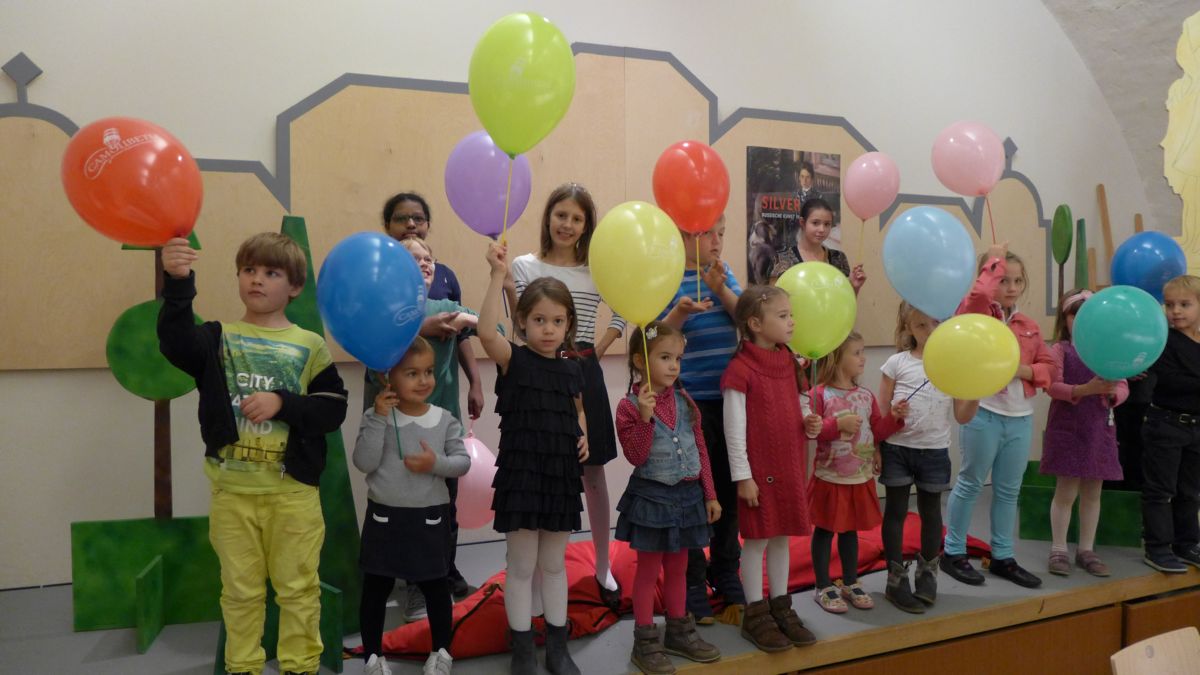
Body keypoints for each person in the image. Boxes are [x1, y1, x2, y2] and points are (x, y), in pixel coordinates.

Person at [158, 233, 348, 675]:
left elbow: (333, 409)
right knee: (240, 592)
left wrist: (283, 403)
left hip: (293, 496)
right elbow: (174, 342)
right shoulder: (216, 338)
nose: (257, 280)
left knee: (298, 590)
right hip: (232, 494)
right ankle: (242, 666)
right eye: (249, 270)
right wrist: (178, 281)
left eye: (271, 272)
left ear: (294, 287)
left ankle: (300, 666)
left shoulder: (309, 344)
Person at [506, 183, 625, 607]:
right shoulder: (524, 265)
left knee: (592, 472)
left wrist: (597, 351)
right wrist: (503, 283)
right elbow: (519, 321)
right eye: (561, 215)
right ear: (548, 217)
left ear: (587, 225)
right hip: (538, 378)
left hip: (583, 372)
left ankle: (603, 565)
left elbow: (623, 312)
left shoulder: (599, 269)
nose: (567, 225)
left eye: (577, 218)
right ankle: (538, 576)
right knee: (542, 474)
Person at [478, 241, 588, 675]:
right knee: (522, 566)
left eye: (557, 321)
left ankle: (558, 647)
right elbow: (487, 333)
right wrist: (496, 277)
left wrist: (583, 435)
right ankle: (523, 650)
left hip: (560, 477)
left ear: (568, 325)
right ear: (522, 321)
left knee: (554, 565)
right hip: (522, 477)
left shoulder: (572, 367)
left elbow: (577, 408)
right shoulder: (514, 359)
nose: (548, 329)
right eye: (539, 320)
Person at [379, 192, 482, 611]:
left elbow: (474, 329)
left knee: (445, 500)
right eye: (401, 218)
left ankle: (444, 571)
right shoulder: (380, 285)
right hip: (401, 415)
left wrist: (476, 381)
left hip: (444, 412)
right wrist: (423, 325)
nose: (410, 223)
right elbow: (381, 338)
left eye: (418, 218)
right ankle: (412, 582)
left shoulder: (444, 288)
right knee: (407, 501)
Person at [353, 337, 469, 675]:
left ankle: (441, 652)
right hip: (384, 518)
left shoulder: (445, 419)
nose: (424, 380)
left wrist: (436, 463)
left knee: (436, 587)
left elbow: (462, 463)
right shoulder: (376, 417)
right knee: (376, 587)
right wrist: (378, 417)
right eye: (412, 373)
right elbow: (364, 461)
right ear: (388, 378)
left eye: (429, 371)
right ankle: (373, 657)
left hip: (430, 519)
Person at [942, 243, 1053, 589]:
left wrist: (1022, 370)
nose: (1012, 288)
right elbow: (977, 297)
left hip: (1019, 418)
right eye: (1004, 280)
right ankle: (953, 552)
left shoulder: (1028, 325)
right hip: (984, 413)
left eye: (1018, 281)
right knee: (970, 482)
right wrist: (993, 263)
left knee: (1008, 491)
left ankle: (1003, 556)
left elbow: (1049, 368)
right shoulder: (977, 315)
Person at [615, 321, 722, 674]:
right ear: (640, 361)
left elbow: (701, 449)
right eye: (664, 357)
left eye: (677, 358)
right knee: (648, 572)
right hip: (653, 500)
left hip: (688, 497)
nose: (674, 365)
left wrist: (710, 494)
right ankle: (645, 641)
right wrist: (645, 418)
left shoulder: (685, 401)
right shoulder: (628, 406)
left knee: (679, 568)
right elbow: (636, 456)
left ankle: (678, 631)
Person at [721, 285, 817, 651]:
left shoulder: (789, 362)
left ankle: (780, 605)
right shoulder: (740, 370)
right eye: (783, 315)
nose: (792, 322)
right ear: (756, 324)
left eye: (791, 315)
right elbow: (734, 430)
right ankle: (755, 613)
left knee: (781, 537)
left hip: (788, 466)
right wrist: (743, 476)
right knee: (757, 539)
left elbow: (800, 404)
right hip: (759, 473)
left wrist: (808, 420)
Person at [660, 215, 745, 623]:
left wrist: (722, 289)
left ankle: (725, 568)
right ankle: (692, 578)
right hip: (687, 406)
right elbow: (653, 337)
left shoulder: (723, 275)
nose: (717, 241)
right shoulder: (668, 280)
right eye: (708, 233)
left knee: (729, 488)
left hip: (729, 403)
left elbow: (749, 321)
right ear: (685, 235)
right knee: (691, 493)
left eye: (721, 233)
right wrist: (678, 313)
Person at [878, 303, 979, 613]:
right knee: (896, 511)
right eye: (920, 325)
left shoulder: (950, 367)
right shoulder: (896, 363)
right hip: (897, 449)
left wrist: (977, 392)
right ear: (908, 329)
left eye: (935, 323)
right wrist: (878, 446)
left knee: (931, 512)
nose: (929, 331)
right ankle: (895, 579)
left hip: (934, 451)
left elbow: (962, 416)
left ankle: (927, 575)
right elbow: (881, 415)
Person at [809, 331, 906, 614]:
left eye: (863, 352)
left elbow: (877, 430)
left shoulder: (865, 396)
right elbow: (811, 431)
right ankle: (822, 585)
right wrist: (837, 426)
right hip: (830, 477)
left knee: (849, 531)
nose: (863, 358)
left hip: (858, 477)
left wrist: (894, 419)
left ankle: (850, 581)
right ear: (837, 357)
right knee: (825, 530)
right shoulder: (820, 394)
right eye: (856, 353)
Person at [1040, 289, 1128, 578]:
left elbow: (1123, 385)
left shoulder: (1109, 350)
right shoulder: (1060, 350)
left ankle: (1086, 550)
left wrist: (1114, 394)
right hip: (1068, 428)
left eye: (1087, 314)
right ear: (1064, 319)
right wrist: (1085, 390)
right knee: (1066, 491)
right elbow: (1053, 386)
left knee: (1093, 492)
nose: (1080, 320)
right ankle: (1058, 549)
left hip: (1099, 429)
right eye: (1074, 314)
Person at [1139, 275, 1200, 573]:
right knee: (1160, 490)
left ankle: (1186, 543)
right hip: (1165, 424)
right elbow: (1172, 381)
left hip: (1195, 427)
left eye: (1184, 305)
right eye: (1170, 304)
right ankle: (1157, 547)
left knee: (1190, 490)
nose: (1176, 311)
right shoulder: (1162, 340)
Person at [768, 198, 866, 294]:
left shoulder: (838, 258)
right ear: (802, 223)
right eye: (815, 223)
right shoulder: (781, 260)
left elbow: (844, 301)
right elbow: (773, 301)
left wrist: (854, 287)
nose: (822, 229)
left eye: (827, 224)